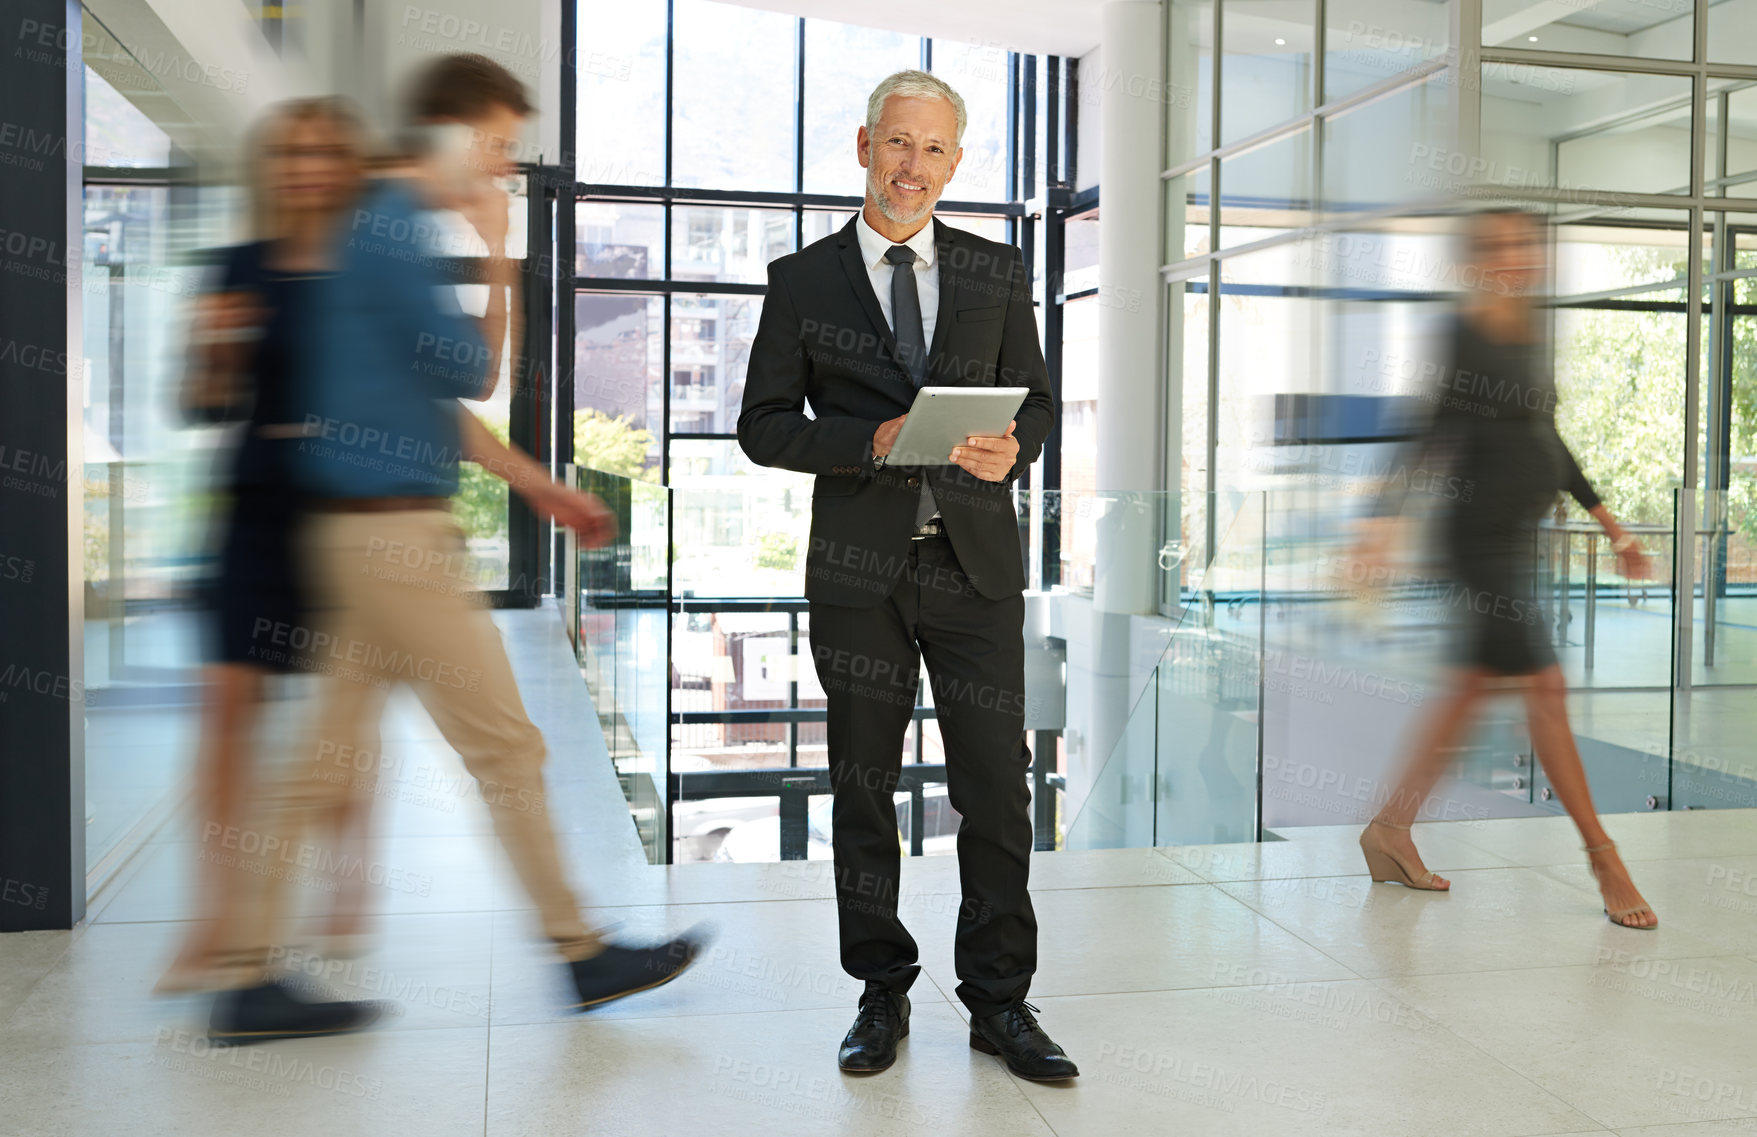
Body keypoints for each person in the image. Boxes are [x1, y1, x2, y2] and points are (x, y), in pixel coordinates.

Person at [207, 55, 704, 1042]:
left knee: (319, 763)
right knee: (506, 747)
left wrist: (544, 489)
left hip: (360, 538)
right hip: (393, 543)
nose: (502, 166)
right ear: (450, 136)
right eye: (497, 144)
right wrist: (497, 257)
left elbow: (429, 406)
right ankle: (578, 954)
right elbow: (473, 373)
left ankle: (248, 977)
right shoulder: (392, 229)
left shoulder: (369, 228)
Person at [738, 70, 1073, 1080]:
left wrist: (1015, 448)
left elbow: (1040, 407)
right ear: (862, 146)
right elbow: (761, 429)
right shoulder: (802, 282)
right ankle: (880, 994)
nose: (911, 167)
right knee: (863, 791)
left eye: (932, 150)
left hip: (974, 569)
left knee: (995, 794)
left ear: (954, 161)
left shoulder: (994, 269)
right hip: (859, 577)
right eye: (896, 144)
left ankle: (999, 1003)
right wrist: (868, 440)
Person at [1354, 207, 1658, 930]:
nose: (1515, 257)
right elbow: (1427, 427)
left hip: (1515, 543)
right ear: (1473, 259)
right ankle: (1603, 856)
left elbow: (1547, 439)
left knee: (1467, 693)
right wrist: (1381, 519)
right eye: (1497, 246)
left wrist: (1611, 525)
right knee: (1545, 687)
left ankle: (1389, 830)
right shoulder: (1465, 331)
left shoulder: (1526, 331)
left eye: (1522, 244)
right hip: (1474, 542)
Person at [163, 98, 371, 993]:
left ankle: (342, 888)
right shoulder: (238, 265)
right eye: (291, 151)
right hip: (249, 512)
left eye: (324, 151)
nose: (306, 167)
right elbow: (199, 403)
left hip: (340, 515)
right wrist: (212, 354)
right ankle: (215, 918)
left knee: (337, 726)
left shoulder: (367, 269)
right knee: (226, 716)